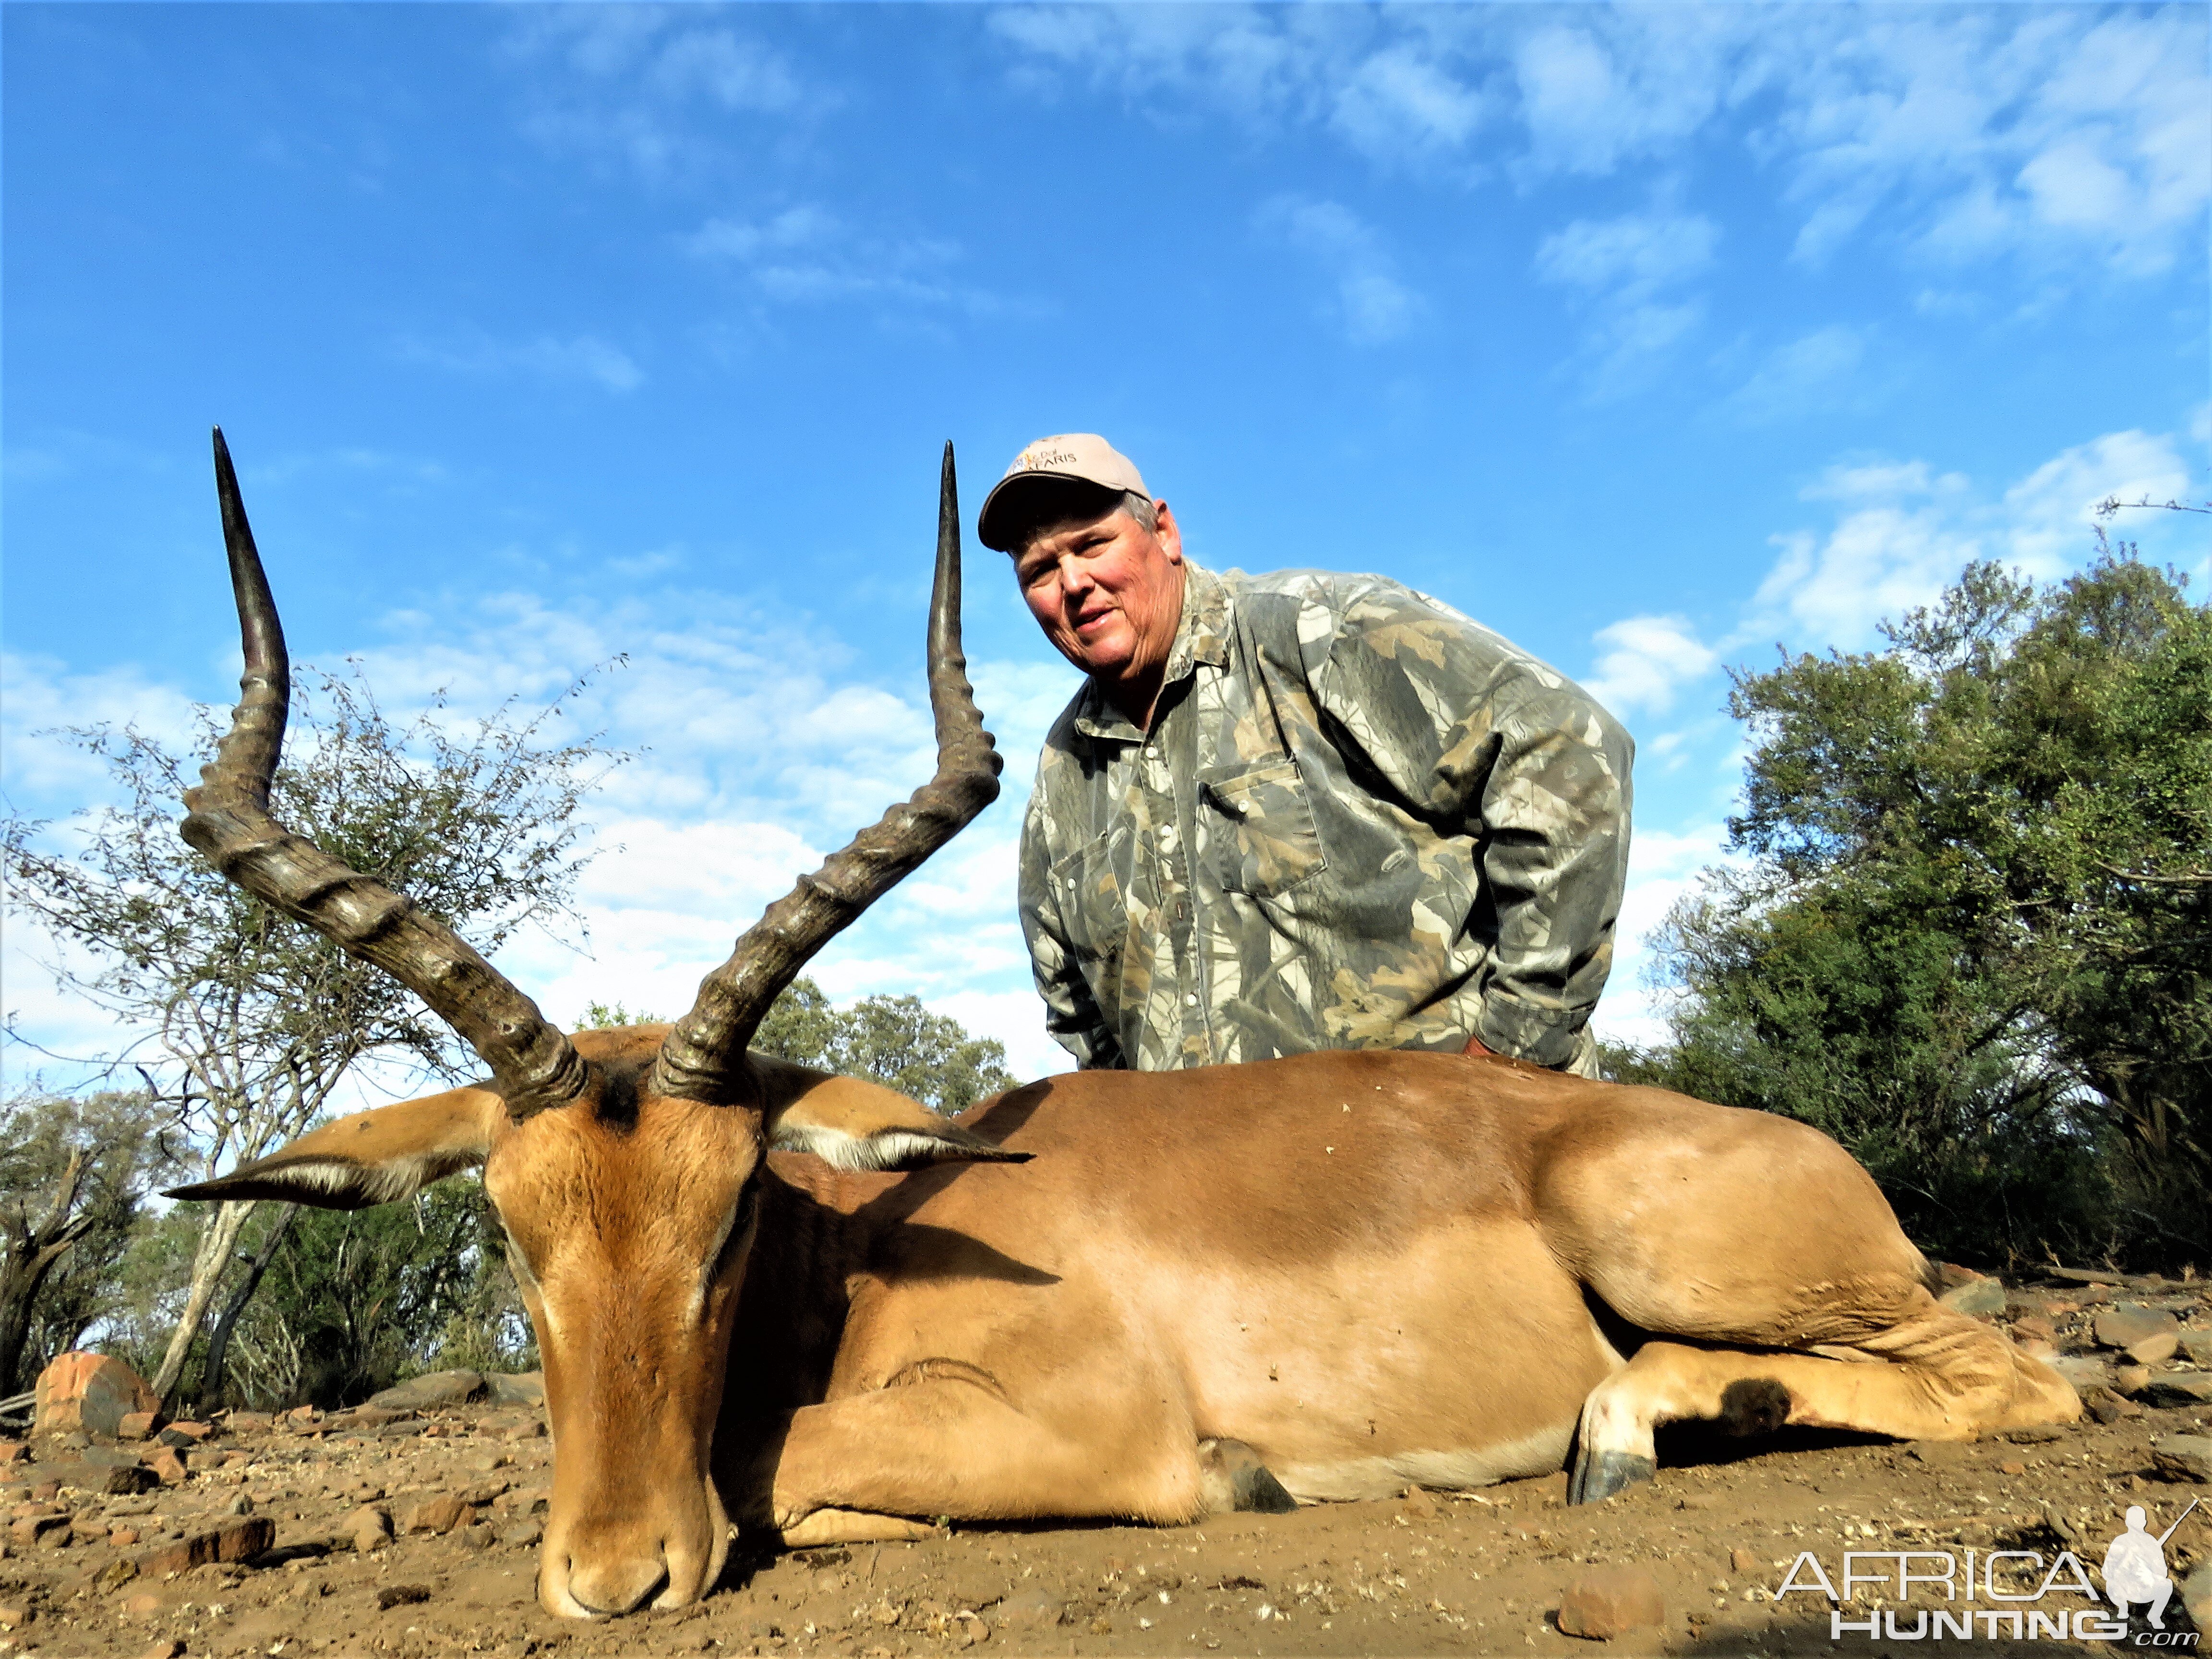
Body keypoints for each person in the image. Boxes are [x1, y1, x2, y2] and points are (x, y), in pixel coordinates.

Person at [982, 433, 1634, 1077]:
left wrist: (1509, 1065)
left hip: (1457, 1156)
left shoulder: (1316, 632)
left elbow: (1568, 749)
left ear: (1164, 532)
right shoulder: (1061, 779)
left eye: (1092, 545)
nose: (1072, 582)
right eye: (1039, 570)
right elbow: (1079, 1017)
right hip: (1219, 1178)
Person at [2101, 1505, 2176, 1628]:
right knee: (2166, 1584)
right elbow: (2108, 1571)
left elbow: (2161, 1572)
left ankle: (2154, 1616)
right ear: (2144, 1523)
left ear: (2127, 1523)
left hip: (2144, 1590)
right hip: (2125, 1590)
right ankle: (2123, 1609)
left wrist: (2148, 1562)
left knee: (2166, 1584)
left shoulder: (2150, 1542)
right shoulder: (2121, 1542)